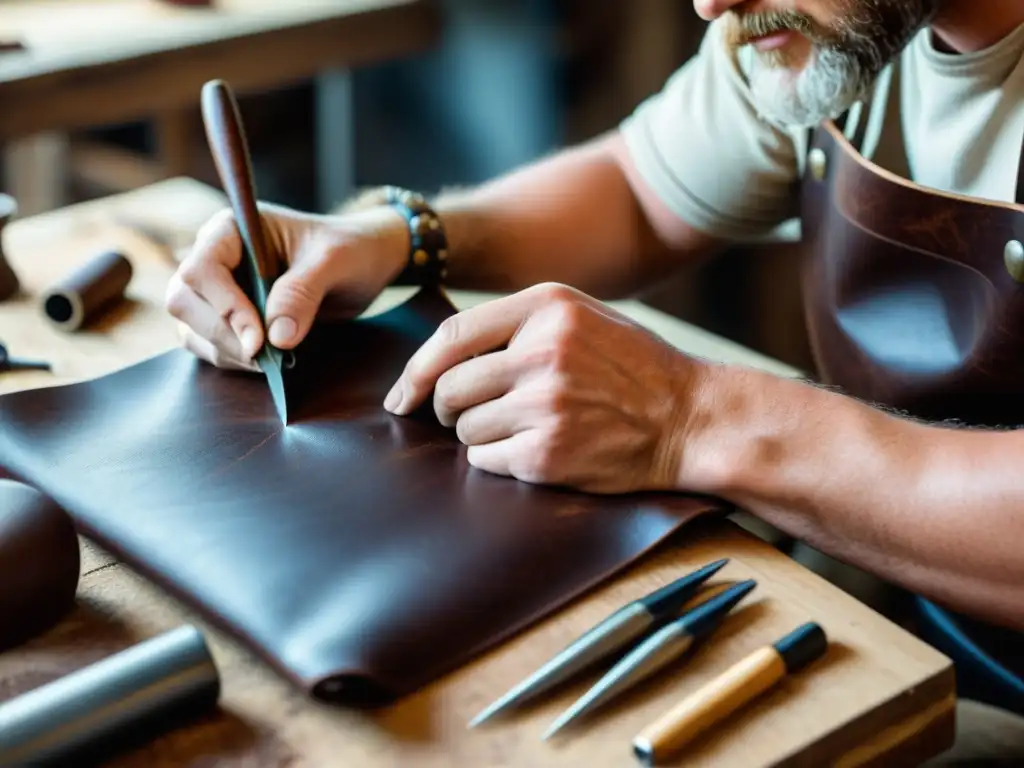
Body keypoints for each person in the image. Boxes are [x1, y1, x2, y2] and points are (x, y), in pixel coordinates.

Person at [167, 0, 1024, 761]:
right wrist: (398, 237)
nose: (709, 4)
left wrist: (690, 418)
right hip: (892, 605)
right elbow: (640, 190)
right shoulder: (829, 25)